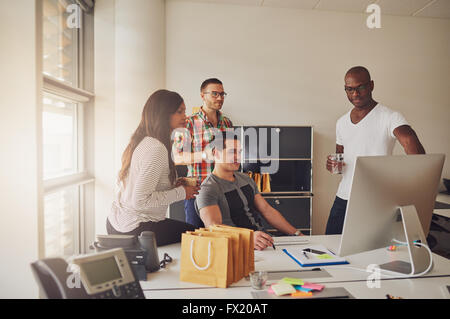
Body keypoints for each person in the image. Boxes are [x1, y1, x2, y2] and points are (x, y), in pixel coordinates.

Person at [325, 66, 426, 235]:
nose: (355, 94)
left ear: (371, 85)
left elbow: (411, 143)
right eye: (349, 89)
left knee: (372, 254)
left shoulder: (389, 116)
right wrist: (333, 165)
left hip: (375, 201)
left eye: (360, 87)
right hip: (344, 198)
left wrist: (409, 182)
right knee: (331, 249)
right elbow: (341, 161)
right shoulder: (341, 122)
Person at [107, 90, 200, 246]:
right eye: (179, 112)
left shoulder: (144, 140)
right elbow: (140, 200)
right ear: (163, 114)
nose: (185, 116)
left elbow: (144, 185)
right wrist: (182, 192)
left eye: (184, 111)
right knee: (196, 236)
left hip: (117, 223)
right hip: (135, 228)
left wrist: (174, 184)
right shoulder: (156, 148)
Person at [195, 131, 303, 251]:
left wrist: (297, 234)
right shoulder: (207, 189)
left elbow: (267, 211)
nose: (238, 157)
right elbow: (214, 228)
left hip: (262, 242)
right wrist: (248, 237)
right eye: (232, 152)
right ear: (216, 153)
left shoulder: (245, 178)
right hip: (236, 247)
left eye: (239, 152)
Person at [173, 78, 233, 227]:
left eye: (222, 94)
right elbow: (177, 157)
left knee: (223, 238)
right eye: (214, 94)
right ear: (202, 95)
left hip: (224, 191)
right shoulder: (188, 123)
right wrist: (205, 155)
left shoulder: (227, 123)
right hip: (197, 192)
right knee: (197, 238)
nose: (220, 98)